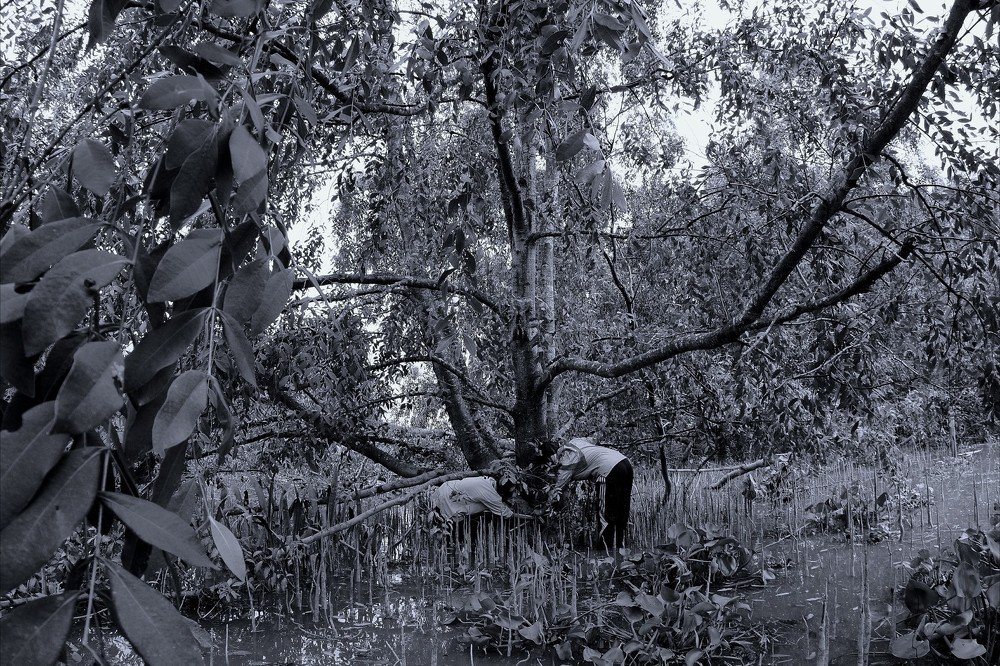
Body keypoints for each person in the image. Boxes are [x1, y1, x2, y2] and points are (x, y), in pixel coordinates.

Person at [551, 437, 633, 550]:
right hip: (625, 462)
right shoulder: (575, 441)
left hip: (608, 470)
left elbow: (557, 490)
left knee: (605, 516)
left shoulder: (566, 460)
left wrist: (544, 508)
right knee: (622, 510)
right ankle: (620, 549)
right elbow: (592, 440)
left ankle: (605, 553)